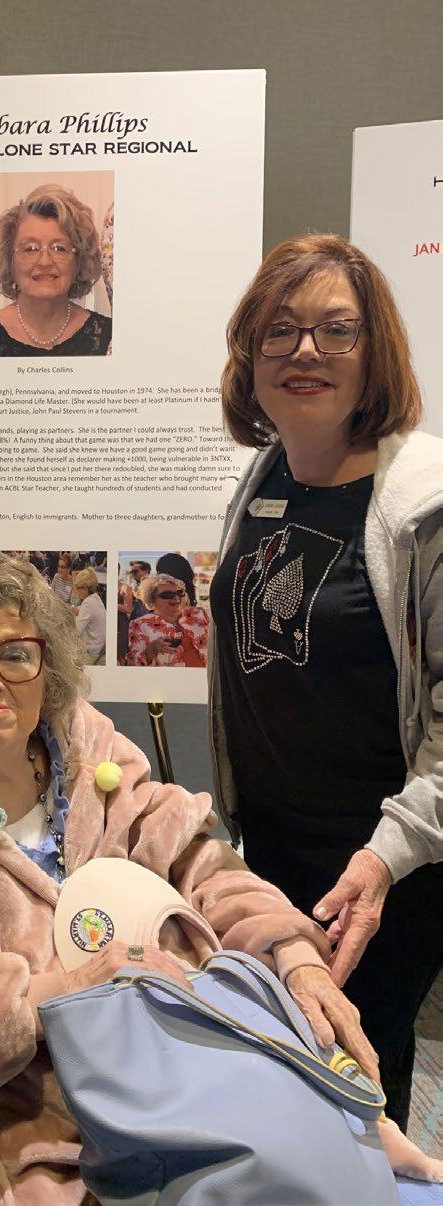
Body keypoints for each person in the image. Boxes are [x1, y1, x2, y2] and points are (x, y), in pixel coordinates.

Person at [0, 551, 431, 1206]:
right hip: (36, 1116)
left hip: (188, 1064)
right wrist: (51, 998)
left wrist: (292, 953)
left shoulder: (93, 760)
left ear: (48, 670)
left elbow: (203, 865)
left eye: (15, 655)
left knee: (350, 1167)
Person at [209, 233, 443, 1128]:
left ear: (374, 350)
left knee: (356, 1083)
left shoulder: (424, 508)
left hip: (381, 871)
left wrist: (384, 860)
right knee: (286, 1068)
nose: (304, 351)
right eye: (279, 330)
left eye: (335, 330)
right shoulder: (264, 475)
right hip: (273, 850)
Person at [0, 184, 112, 356]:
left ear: (78, 261)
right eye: (30, 248)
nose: (45, 261)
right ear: (9, 260)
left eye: (59, 248)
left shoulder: (111, 338)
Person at [127, 573, 209, 667]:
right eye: (167, 595)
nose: (176, 598)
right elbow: (132, 664)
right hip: (170, 676)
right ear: (151, 600)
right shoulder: (139, 625)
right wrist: (151, 650)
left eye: (179, 593)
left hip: (206, 674)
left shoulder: (198, 614)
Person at [70, 567, 106, 664]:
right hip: (100, 647)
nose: (77, 591)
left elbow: (76, 631)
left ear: (86, 588)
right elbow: (90, 612)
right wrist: (79, 610)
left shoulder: (87, 604)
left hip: (92, 652)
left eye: (78, 588)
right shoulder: (96, 598)